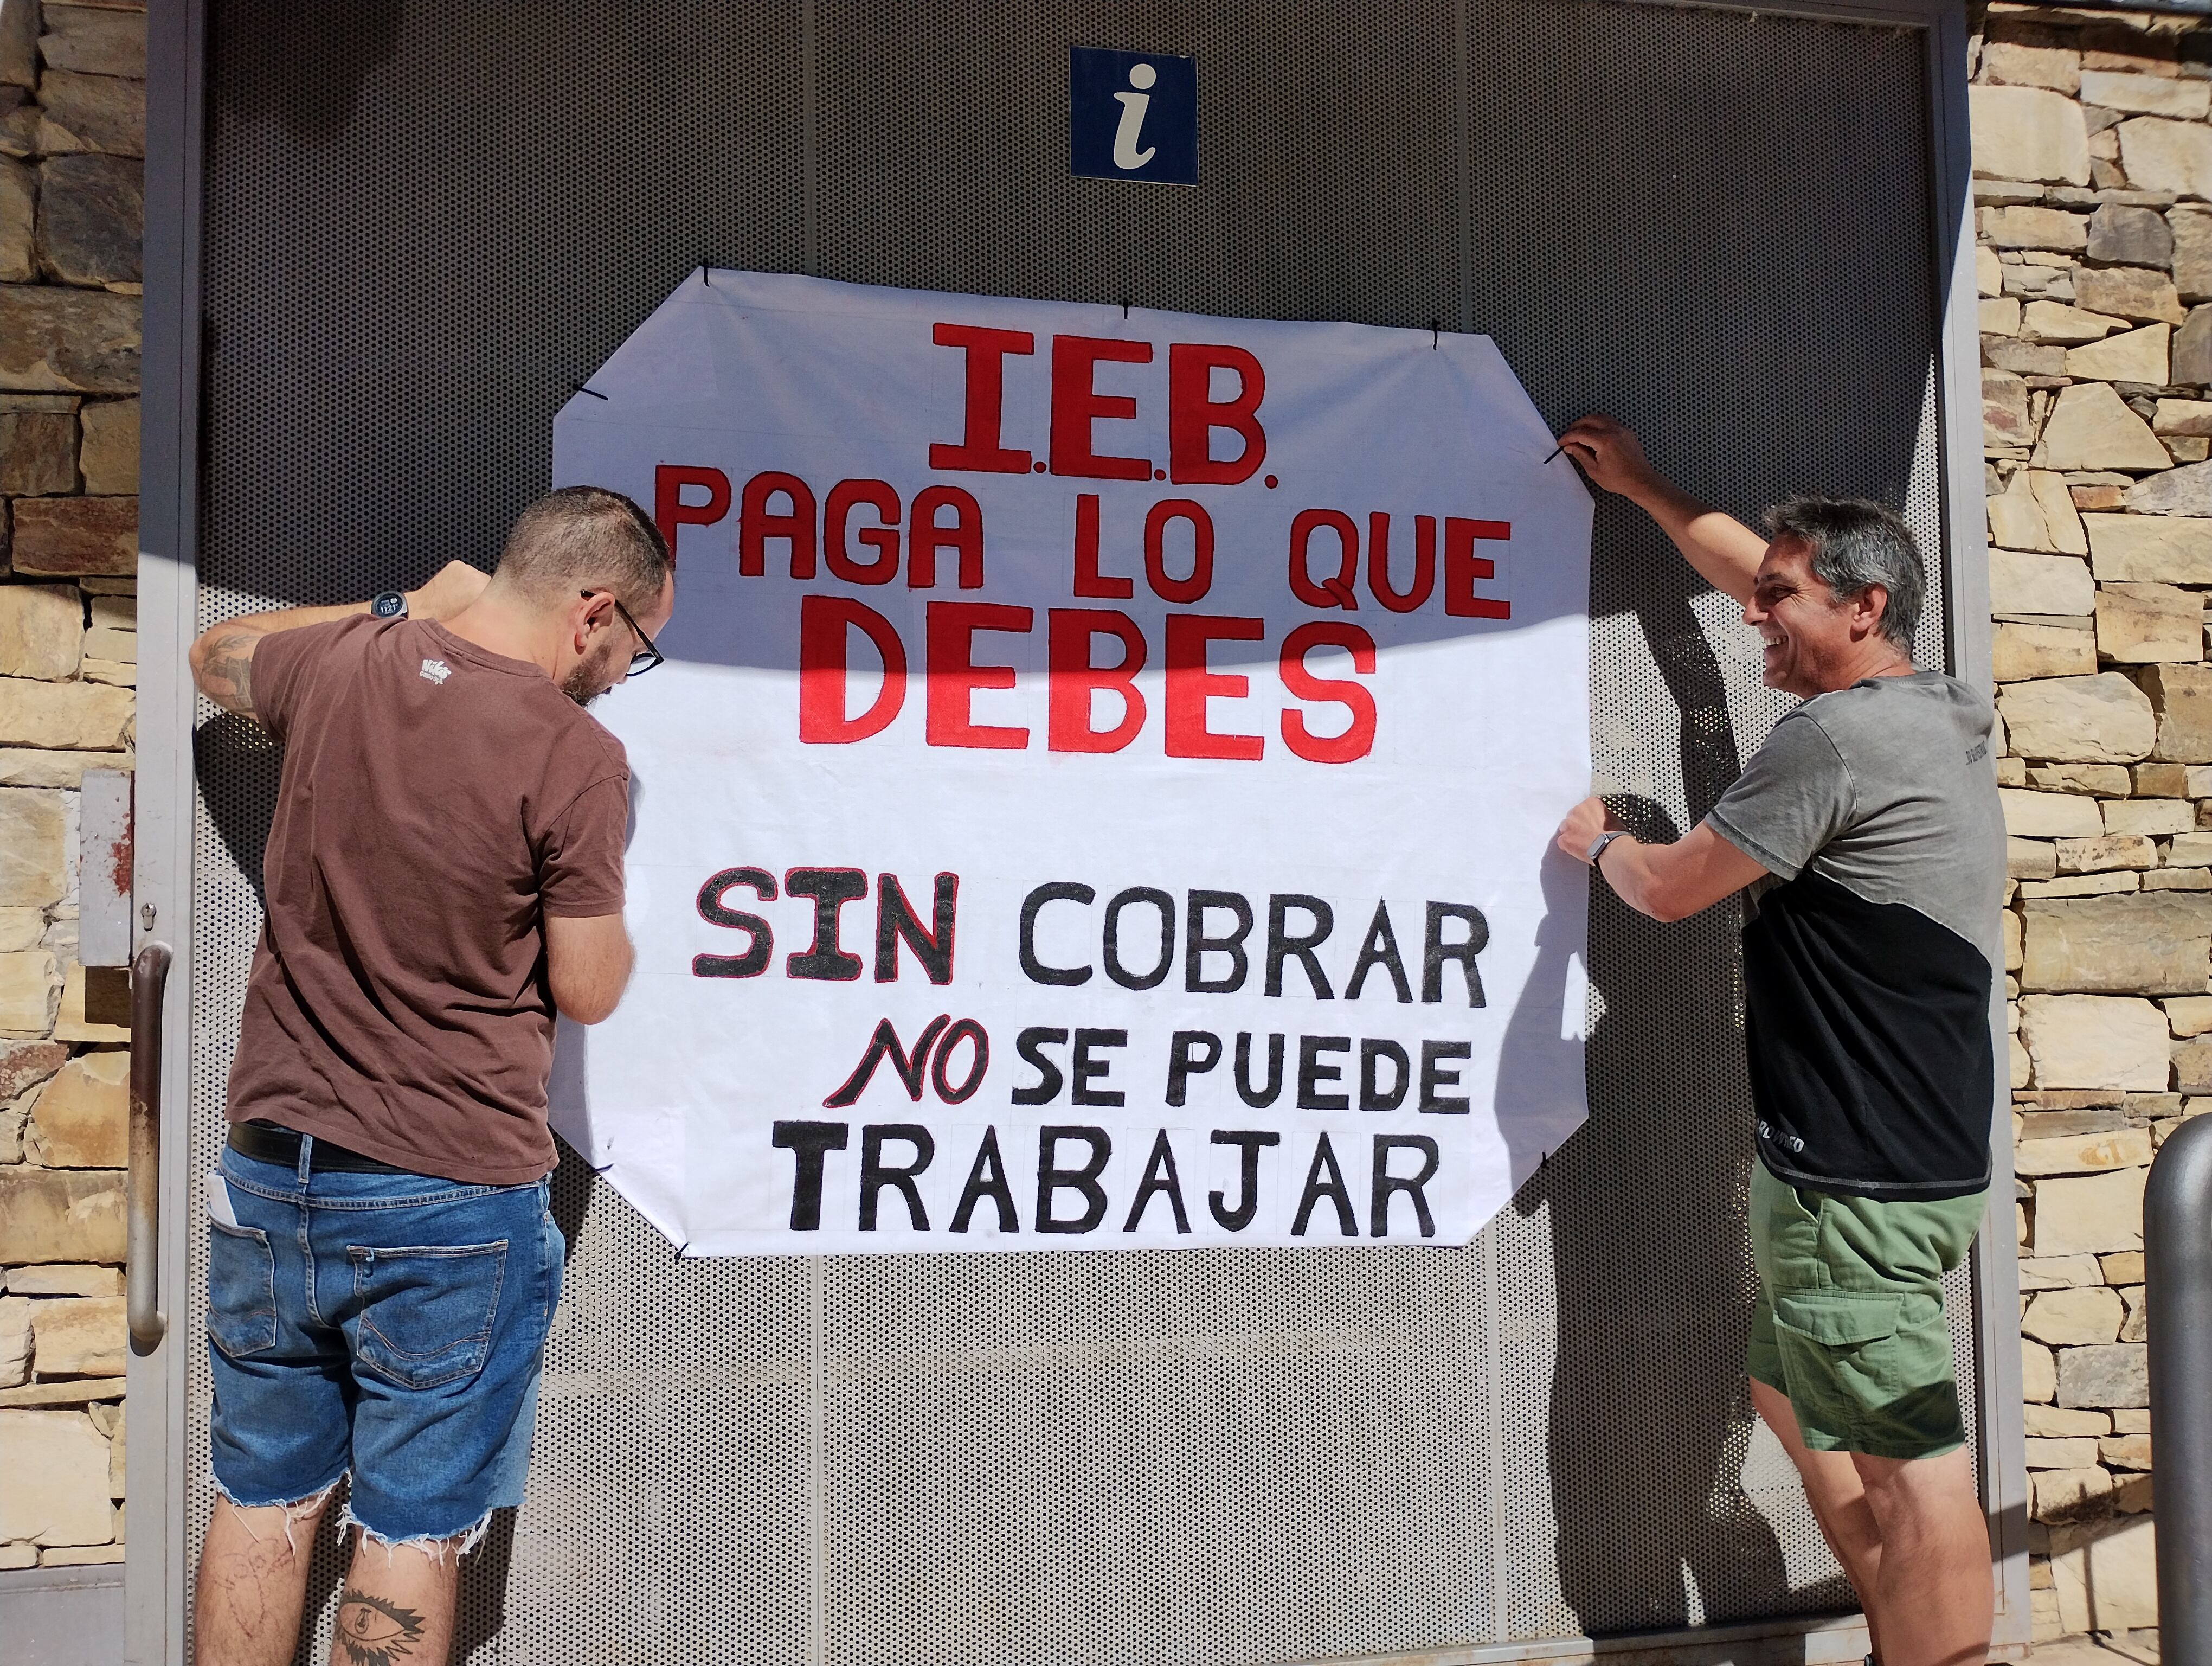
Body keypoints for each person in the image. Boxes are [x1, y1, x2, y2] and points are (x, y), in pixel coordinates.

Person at [187, 486, 674, 1666]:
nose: (621, 674)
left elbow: (215, 658)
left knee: (263, 1501)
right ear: (592, 611)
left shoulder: (346, 665)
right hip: (446, 1194)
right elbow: (590, 988)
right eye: (636, 648)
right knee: (411, 1526)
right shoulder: (576, 755)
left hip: (274, 1174)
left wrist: (409, 605)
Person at [1550, 418, 2003, 1666]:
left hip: (1858, 1178)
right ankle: (1898, 1619)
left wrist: (1596, 841)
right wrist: (1646, 489)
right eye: (1761, 600)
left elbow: (1668, 890)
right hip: (1873, 1165)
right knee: (1791, 1399)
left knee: (1920, 1482)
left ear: (1864, 609)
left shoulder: (1833, 746)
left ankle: (1934, 1640)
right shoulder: (1933, 704)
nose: (1759, 620)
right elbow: (1746, 564)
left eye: (1783, 604)